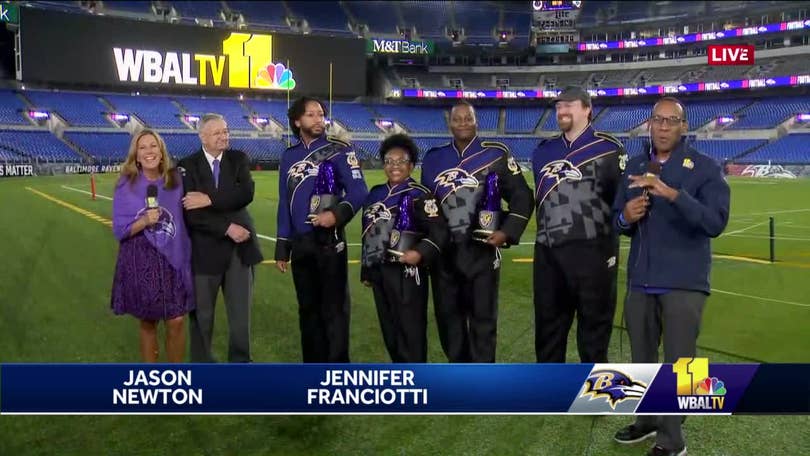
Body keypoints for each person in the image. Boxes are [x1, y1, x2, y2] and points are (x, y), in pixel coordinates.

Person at [612, 97, 730, 456]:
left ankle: (673, 439)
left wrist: (674, 195)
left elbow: (715, 223)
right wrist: (625, 217)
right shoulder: (635, 164)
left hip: (684, 282)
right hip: (641, 280)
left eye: (671, 121)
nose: (663, 127)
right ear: (649, 124)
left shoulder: (706, 169)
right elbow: (618, 218)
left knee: (684, 364)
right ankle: (648, 422)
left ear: (683, 126)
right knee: (642, 359)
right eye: (657, 120)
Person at [420, 100, 533, 363]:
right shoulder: (434, 158)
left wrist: (507, 232)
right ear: (449, 123)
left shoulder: (496, 153)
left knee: (483, 324)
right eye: (457, 119)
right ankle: (460, 380)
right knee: (449, 323)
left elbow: (522, 196)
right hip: (445, 255)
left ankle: (483, 385)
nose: (462, 123)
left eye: (467, 118)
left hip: (481, 253)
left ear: (476, 121)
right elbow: (426, 206)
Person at [531, 86, 627, 364]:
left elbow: (619, 201)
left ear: (587, 109)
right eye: (558, 106)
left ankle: (596, 391)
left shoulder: (609, 149)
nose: (561, 110)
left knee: (594, 331)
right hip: (549, 255)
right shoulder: (543, 151)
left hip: (593, 254)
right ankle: (552, 391)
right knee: (548, 329)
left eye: (569, 105)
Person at [275, 96, 368, 363]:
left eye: (321, 114)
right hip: (301, 245)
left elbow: (359, 191)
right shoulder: (288, 156)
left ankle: (337, 375)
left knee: (335, 312)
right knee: (308, 312)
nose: (318, 119)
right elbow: (284, 201)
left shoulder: (339, 150)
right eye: (311, 115)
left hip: (330, 242)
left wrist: (336, 215)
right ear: (297, 120)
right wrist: (283, 245)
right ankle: (313, 373)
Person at [178, 113, 263, 363]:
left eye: (225, 131)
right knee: (202, 317)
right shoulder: (187, 165)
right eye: (217, 132)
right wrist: (228, 227)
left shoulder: (238, 159)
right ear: (202, 136)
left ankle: (240, 365)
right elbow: (192, 215)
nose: (224, 136)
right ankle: (202, 368)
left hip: (240, 251)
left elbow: (245, 194)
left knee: (240, 317)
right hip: (205, 253)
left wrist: (210, 199)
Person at [360, 134, 448, 363]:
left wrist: (420, 252)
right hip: (380, 272)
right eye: (389, 161)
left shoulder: (421, 194)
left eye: (401, 161)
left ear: (411, 165)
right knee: (390, 332)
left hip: (408, 274)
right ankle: (401, 378)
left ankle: (416, 381)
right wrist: (367, 270)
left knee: (411, 331)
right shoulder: (375, 194)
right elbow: (367, 231)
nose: (394, 166)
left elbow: (439, 231)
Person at [111, 129, 194, 363]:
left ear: (161, 151)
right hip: (140, 257)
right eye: (143, 147)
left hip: (173, 258)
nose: (149, 151)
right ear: (136, 156)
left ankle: (175, 376)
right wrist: (144, 221)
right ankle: (153, 378)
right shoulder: (125, 186)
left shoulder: (176, 180)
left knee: (176, 320)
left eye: (153, 146)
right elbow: (119, 230)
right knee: (148, 322)